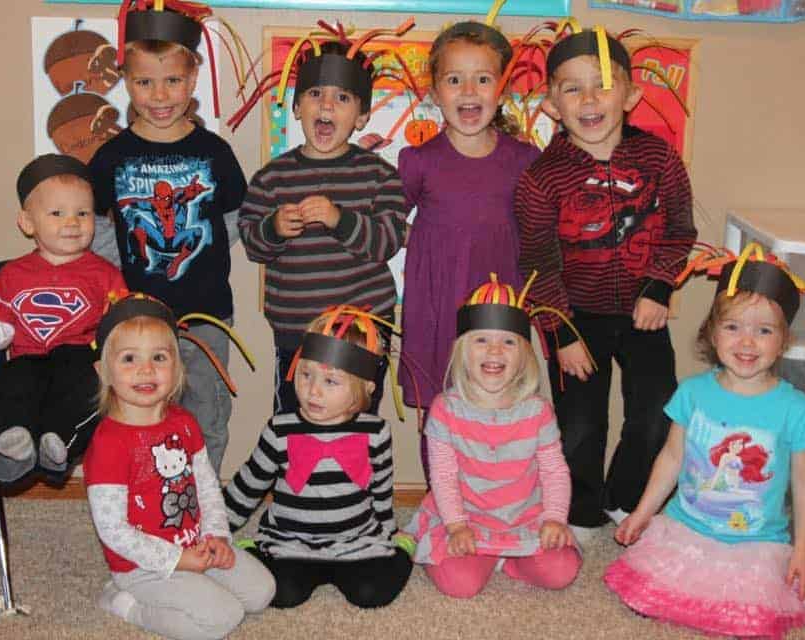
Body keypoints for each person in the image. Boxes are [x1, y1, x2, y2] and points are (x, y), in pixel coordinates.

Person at [514, 24, 696, 536]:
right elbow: (536, 262)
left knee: (656, 411)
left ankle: (628, 496)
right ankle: (582, 510)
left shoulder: (660, 159)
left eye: (602, 85)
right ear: (552, 104)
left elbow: (680, 231)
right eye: (572, 88)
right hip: (574, 318)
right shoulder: (542, 178)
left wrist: (659, 285)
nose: (588, 98)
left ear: (631, 95)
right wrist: (561, 333)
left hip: (643, 313)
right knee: (579, 424)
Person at [604, 252, 805, 638]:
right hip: (686, 528)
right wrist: (642, 513)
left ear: (783, 341)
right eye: (733, 327)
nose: (746, 342)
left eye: (764, 331)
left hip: (756, 541)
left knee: (751, 621)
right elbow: (672, 457)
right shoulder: (693, 393)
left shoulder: (797, 409)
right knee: (645, 595)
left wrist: (803, 551)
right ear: (712, 332)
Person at [89, 1, 246, 475]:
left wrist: (200, 252)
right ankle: (146, 497)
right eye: (144, 82)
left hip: (207, 314)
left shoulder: (214, 151)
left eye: (172, 81)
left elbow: (235, 216)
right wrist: (132, 265)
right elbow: (97, 224)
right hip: (136, 318)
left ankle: (205, 503)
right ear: (126, 81)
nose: (160, 95)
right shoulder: (111, 156)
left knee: (208, 412)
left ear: (193, 78)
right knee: (138, 413)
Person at [84, 294, 275, 640]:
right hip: (143, 566)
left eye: (159, 357)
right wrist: (178, 560)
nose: (146, 369)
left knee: (262, 593)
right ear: (104, 371)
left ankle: (195, 578)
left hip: (195, 544)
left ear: (177, 369)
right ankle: (126, 604)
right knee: (222, 618)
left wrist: (216, 535)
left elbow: (206, 487)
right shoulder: (108, 443)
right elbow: (113, 530)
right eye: (129, 358)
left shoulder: (184, 422)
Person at [397, 18, 541, 480]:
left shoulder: (524, 160)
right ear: (435, 91)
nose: (468, 91)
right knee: (439, 411)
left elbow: (541, 233)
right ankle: (445, 505)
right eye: (454, 79)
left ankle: (496, 502)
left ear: (501, 88)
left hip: (501, 307)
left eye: (482, 79)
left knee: (503, 405)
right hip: (438, 307)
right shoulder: (417, 161)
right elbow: (385, 223)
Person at [237, 35, 409, 415]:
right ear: (297, 106)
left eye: (343, 98)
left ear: (362, 117)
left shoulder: (380, 176)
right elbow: (252, 244)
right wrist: (274, 229)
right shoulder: (272, 178)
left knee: (358, 417)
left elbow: (387, 241)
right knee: (295, 419)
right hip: (295, 328)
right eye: (315, 93)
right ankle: (295, 476)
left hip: (363, 328)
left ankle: (359, 475)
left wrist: (339, 219)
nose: (327, 105)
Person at [222, 306, 413, 609]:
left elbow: (381, 491)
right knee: (283, 595)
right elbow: (249, 486)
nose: (313, 391)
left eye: (331, 381)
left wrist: (389, 532)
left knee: (371, 594)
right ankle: (257, 548)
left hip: (355, 542)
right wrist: (216, 528)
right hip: (289, 542)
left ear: (365, 388)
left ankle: (403, 549)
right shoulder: (280, 429)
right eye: (306, 374)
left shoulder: (376, 432)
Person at [404, 275, 582, 598]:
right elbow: (442, 476)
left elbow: (555, 471)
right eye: (481, 340)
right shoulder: (445, 410)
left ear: (525, 355)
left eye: (509, 342)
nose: (495, 350)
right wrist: (456, 526)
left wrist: (554, 519)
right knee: (460, 585)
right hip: (466, 517)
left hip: (525, 518)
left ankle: (507, 559)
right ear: (462, 351)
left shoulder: (538, 411)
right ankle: (486, 556)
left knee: (562, 572)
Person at [0, 153, 125, 483]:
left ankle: (57, 444)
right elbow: (2, 316)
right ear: (27, 222)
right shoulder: (11, 274)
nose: (72, 222)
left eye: (83, 213)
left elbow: (120, 324)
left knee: (91, 388)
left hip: (80, 358)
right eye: (57, 213)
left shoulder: (105, 274)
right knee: (6, 381)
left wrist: (110, 356)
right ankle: (14, 441)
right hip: (27, 355)